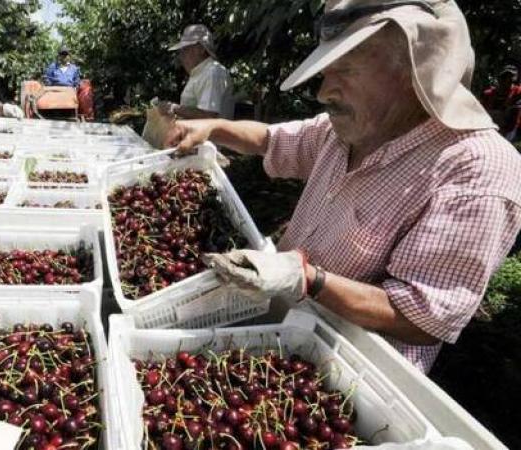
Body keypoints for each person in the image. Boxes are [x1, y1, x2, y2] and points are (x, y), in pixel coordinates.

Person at [166, 0, 521, 374]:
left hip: (346, 374)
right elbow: (271, 139)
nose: (323, 91)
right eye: (326, 71)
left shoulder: (477, 169)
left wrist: (307, 279)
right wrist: (213, 129)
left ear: (414, 70)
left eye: (345, 70)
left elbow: (422, 319)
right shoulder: (347, 129)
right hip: (281, 337)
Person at [158, 24, 235, 120]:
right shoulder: (201, 72)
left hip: (210, 135)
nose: (181, 56)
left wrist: (174, 108)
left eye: (185, 49)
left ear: (201, 49)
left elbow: (209, 116)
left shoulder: (213, 73)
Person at [480, 64, 521, 141]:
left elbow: (514, 120)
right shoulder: (488, 94)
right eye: (504, 77)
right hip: (489, 125)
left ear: (514, 80)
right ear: (500, 78)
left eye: (510, 78)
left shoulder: (518, 93)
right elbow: (480, 114)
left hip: (509, 127)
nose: (507, 81)